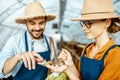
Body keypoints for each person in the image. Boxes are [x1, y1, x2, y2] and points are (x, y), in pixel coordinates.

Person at [38, 0, 120, 80]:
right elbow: (80, 77)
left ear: (107, 22)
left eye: (89, 23)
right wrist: (70, 64)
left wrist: (67, 71)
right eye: (83, 23)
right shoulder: (88, 48)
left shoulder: (116, 54)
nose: (84, 28)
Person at [0, 2, 57, 80]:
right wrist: (17, 57)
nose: (37, 28)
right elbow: (1, 72)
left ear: (46, 21)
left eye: (41, 23)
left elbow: (54, 66)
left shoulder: (51, 41)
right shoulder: (14, 41)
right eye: (32, 24)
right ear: (25, 22)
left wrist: (52, 65)